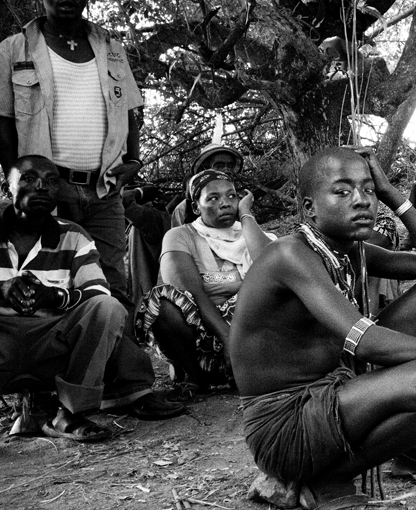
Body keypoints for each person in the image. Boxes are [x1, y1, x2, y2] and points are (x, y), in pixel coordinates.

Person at [231, 147, 416, 510]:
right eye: (342, 191)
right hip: (287, 428)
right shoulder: (290, 255)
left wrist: (394, 195)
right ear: (309, 208)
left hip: (336, 389)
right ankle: (326, 484)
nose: (361, 200)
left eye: (369, 190)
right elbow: (365, 341)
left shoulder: (351, 250)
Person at [0, 156, 182, 442]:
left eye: (51, 181)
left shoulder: (72, 235)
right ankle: (32, 411)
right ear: (5, 188)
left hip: (52, 344)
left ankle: (70, 411)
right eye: (29, 178)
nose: (41, 187)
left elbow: (98, 291)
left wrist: (56, 296)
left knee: (107, 307)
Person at [0, 0, 144, 301]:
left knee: (112, 287)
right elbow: (3, 122)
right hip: (47, 190)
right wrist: (16, 181)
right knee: (47, 281)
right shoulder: (13, 50)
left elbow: (128, 109)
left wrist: (134, 161)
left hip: (103, 190)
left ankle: (113, 337)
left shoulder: (111, 48)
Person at [134, 171, 274, 398]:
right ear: (196, 207)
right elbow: (192, 293)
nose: (225, 203)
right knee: (160, 301)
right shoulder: (180, 236)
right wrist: (228, 339)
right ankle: (194, 375)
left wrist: (246, 215)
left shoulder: (251, 233)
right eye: (213, 198)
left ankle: (255, 369)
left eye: (231, 196)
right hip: (204, 340)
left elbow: (274, 268)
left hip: (253, 338)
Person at [170, 142, 244, 227]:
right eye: (219, 165)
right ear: (204, 169)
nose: (227, 170)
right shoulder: (182, 210)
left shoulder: (241, 203)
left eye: (230, 166)